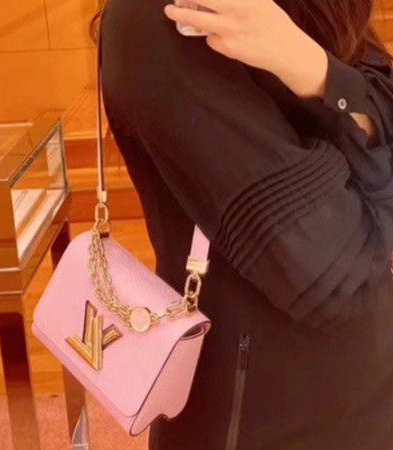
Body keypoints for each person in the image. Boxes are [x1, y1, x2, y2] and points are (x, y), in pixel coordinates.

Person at [98, 0, 393, 448]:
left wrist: (309, 66)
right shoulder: (161, 16)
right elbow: (334, 269)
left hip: (370, 386)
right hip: (258, 417)